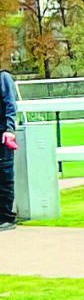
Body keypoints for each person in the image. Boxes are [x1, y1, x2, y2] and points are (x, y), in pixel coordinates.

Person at [0, 64, 17, 225]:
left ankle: (6, 217)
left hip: (2, 134)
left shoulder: (3, 78)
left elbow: (10, 105)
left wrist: (9, 129)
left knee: (4, 175)